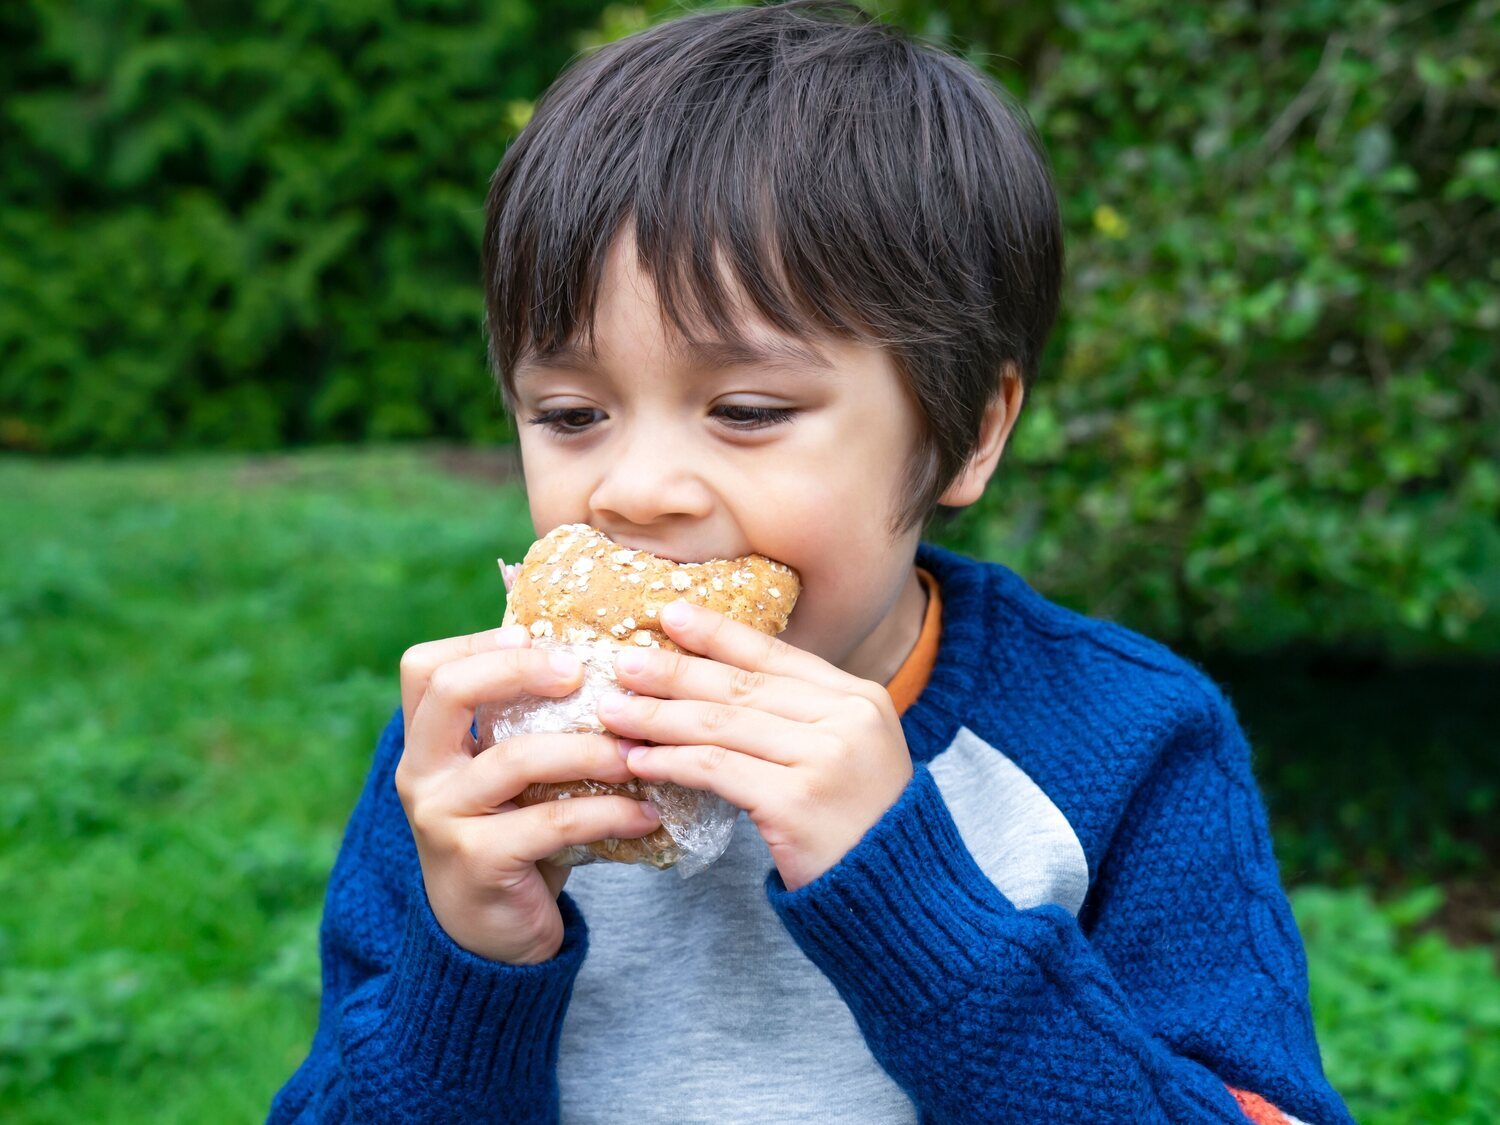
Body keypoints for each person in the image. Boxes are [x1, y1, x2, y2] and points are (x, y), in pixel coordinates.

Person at [269, 3, 1353, 1122]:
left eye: (744, 408)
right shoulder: (471, 753)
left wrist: (918, 920)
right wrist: (469, 967)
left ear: (969, 431)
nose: (634, 490)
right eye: (571, 411)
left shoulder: (1124, 744)